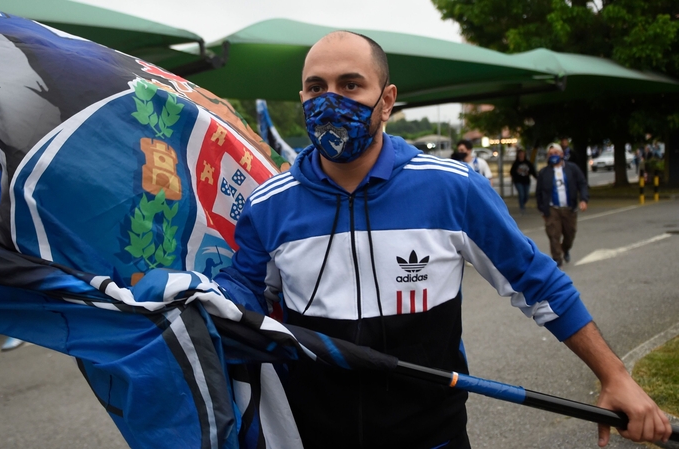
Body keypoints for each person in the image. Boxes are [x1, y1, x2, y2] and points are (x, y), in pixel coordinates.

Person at [213, 31, 672, 448]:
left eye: (351, 85)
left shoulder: (452, 188)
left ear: (387, 100)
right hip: (313, 435)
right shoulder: (268, 204)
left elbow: (539, 284)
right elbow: (245, 298)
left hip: (434, 437)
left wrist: (614, 375)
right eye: (316, 88)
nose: (329, 100)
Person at [535, 143, 588, 267]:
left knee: (570, 233)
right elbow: (539, 192)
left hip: (569, 208)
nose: (553, 156)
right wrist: (542, 209)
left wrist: (584, 200)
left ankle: (565, 248)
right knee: (553, 234)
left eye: (556, 153)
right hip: (553, 208)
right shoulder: (544, 172)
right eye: (551, 154)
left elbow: (582, 183)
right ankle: (557, 258)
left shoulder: (572, 168)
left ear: (562, 154)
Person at [510, 148, 538, 215]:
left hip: (526, 181)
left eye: (523, 154)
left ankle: (522, 203)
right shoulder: (516, 163)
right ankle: (522, 208)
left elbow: (532, 171)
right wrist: (516, 173)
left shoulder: (528, 163)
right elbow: (512, 172)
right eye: (520, 154)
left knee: (526, 195)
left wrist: (537, 178)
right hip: (518, 181)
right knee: (521, 194)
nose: (521, 155)